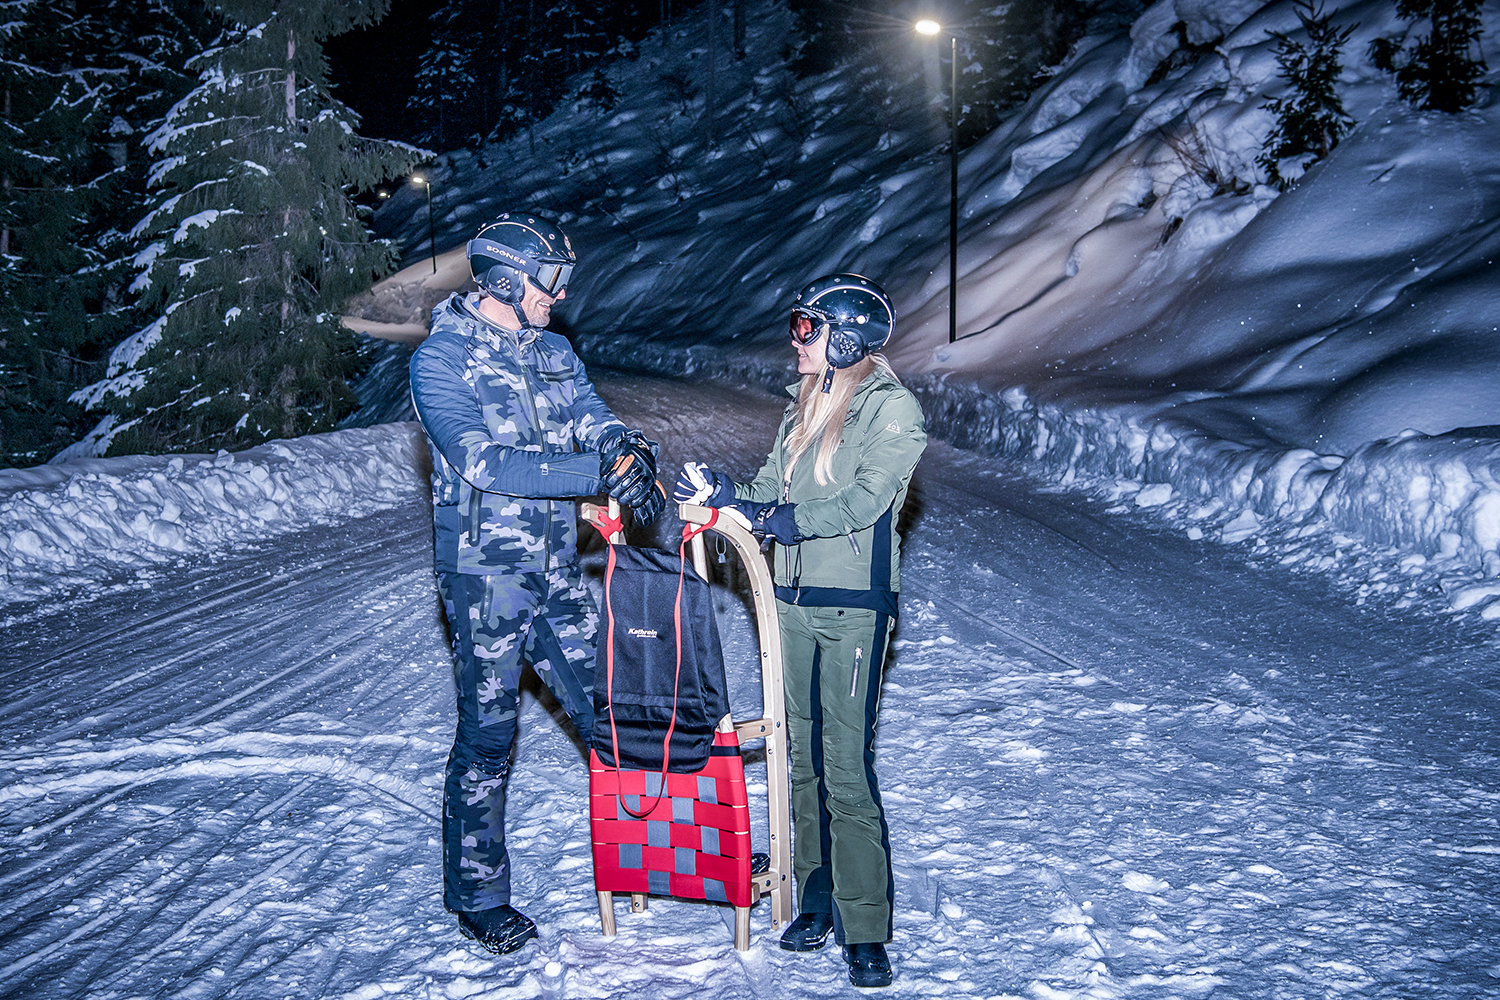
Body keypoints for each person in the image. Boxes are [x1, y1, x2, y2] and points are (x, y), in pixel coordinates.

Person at [409, 212, 666, 955]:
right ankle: (478, 896)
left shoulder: (553, 349)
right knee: (490, 736)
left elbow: (590, 415)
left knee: (613, 711)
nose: (559, 293)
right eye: (548, 279)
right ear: (501, 281)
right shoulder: (442, 360)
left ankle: (670, 848)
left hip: (557, 565)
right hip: (485, 578)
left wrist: (624, 449)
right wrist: (598, 476)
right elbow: (483, 462)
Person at [674, 274, 925, 988]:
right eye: (796, 326)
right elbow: (770, 492)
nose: (796, 341)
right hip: (789, 601)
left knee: (846, 767)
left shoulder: (893, 409)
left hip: (852, 606)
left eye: (807, 329)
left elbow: (866, 502)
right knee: (802, 759)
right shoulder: (806, 403)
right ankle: (816, 897)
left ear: (847, 336)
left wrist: (783, 520)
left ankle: (865, 924)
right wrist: (729, 494)